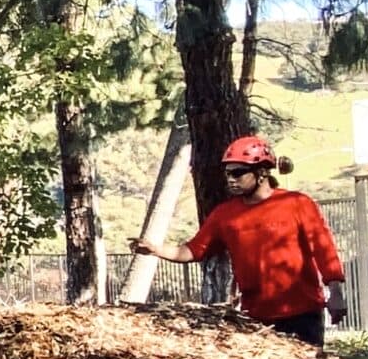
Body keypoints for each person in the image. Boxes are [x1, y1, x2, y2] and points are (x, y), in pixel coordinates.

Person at [131, 136, 348, 346]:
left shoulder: (297, 203)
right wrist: (155, 250)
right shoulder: (224, 215)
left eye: (238, 173)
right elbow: (194, 250)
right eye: (227, 174)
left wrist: (336, 294)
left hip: (303, 313)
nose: (231, 179)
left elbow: (323, 248)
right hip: (255, 317)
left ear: (262, 172)